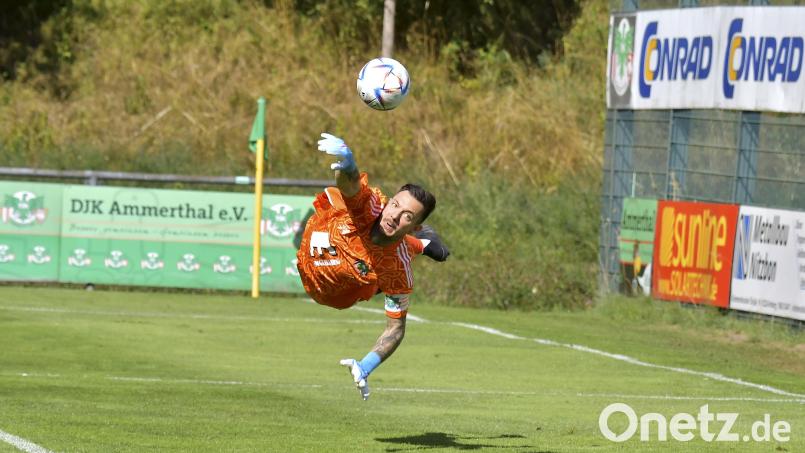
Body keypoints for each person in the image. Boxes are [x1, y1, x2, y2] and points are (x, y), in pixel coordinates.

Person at [296, 132, 449, 401]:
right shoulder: (370, 208)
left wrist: (366, 365)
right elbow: (351, 183)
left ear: (414, 224)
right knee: (376, 238)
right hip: (312, 248)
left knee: (386, 261)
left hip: (335, 294)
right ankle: (423, 244)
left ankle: (421, 243)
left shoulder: (397, 270)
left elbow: (396, 329)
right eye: (396, 205)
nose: (394, 215)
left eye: (407, 217)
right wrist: (347, 162)